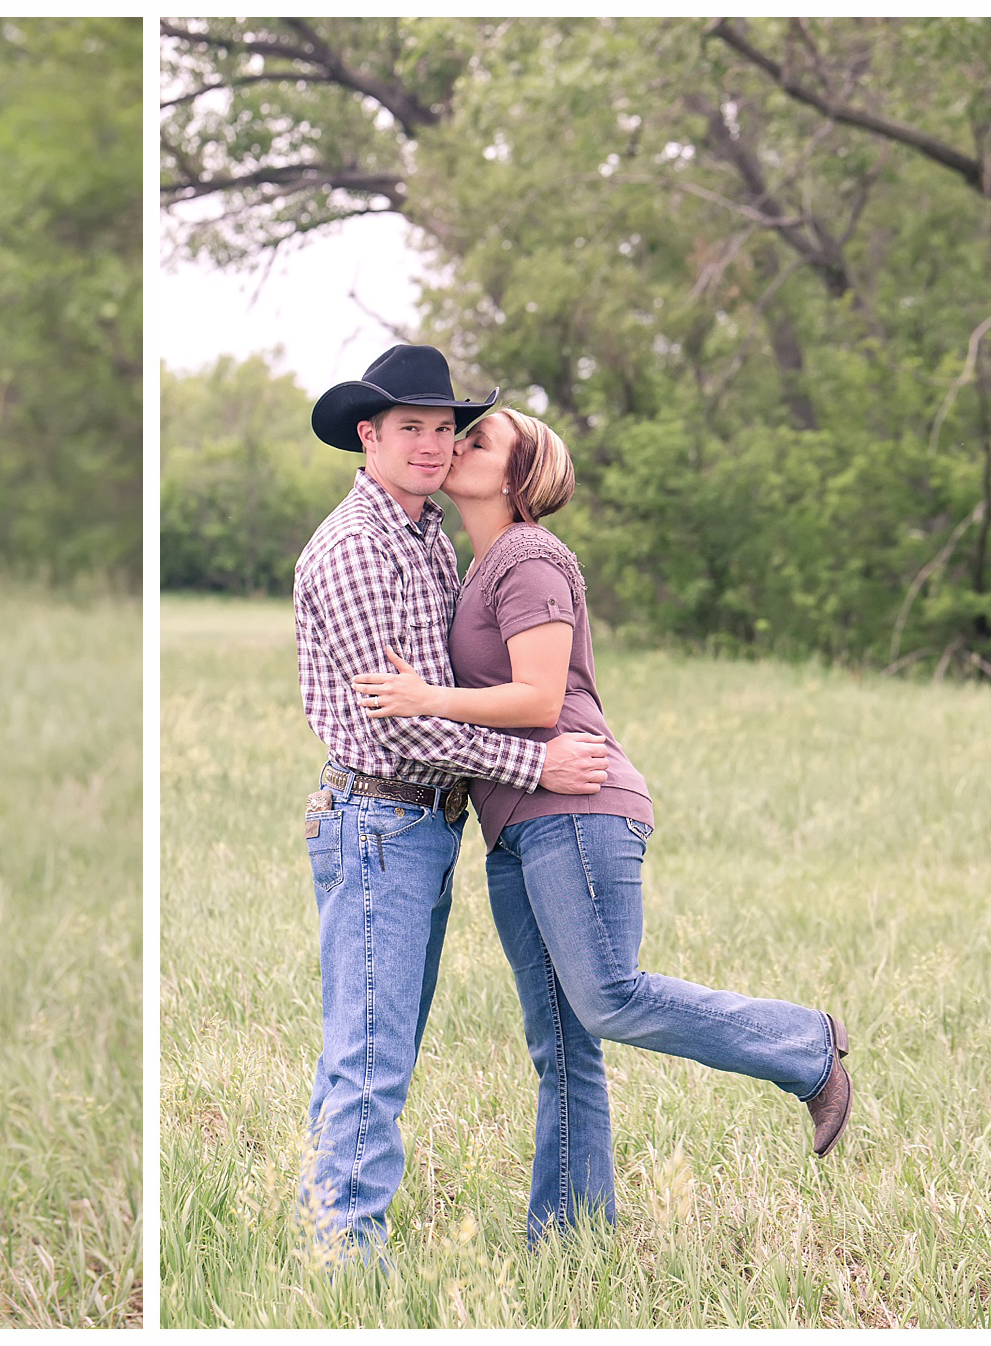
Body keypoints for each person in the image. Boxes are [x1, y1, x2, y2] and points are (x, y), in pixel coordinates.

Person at [351, 405, 853, 1246]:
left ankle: (806, 1045)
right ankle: (571, 1236)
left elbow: (540, 698)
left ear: (518, 475)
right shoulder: (479, 567)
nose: (454, 446)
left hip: (576, 808)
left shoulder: (531, 556)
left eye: (478, 441)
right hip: (515, 821)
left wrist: (429, 698)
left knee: (609, 996)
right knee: (559, 1040)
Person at [293, 344, 612, 1259]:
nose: (433, 446)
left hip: (424, 825)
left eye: (446, 429)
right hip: (378, 819)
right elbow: (403, 728)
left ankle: (328, 1227)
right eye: (411, 429)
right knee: (371, 1050)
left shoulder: (427, 533)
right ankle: (345, 1261)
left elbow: (454, 688)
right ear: (370, 435)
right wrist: (534, 768)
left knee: (377, 1037)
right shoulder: (355, 549)